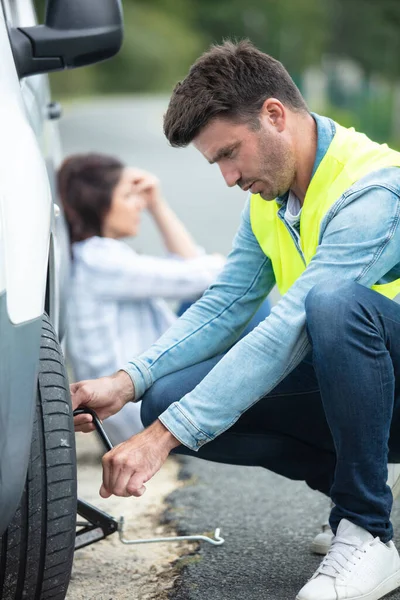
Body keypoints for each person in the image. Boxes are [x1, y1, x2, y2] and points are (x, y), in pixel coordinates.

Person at [71, 39, 400, 600]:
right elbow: (224, 305)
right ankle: (351, 503)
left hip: (391, 381)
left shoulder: (374, 190)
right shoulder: (270, 199)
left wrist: (161, 440)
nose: (227, 177)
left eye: (229, 153)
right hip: (354, 386)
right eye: (216, 162)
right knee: (165, 397)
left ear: (274, 115)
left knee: (331, 304)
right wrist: (127, 382)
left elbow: (289, 325)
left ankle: (369, 529)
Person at [59, 154, 229, 444]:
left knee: (215, 301)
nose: (139, 204)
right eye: (128, 196)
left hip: (132, 403)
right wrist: (214, 262)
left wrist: (156, 204)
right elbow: (209, 277)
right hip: (136, 411)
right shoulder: (100, 261)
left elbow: (196, 273)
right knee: (243, 304)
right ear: (98, 204)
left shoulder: (96, 257)